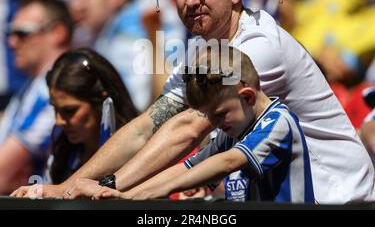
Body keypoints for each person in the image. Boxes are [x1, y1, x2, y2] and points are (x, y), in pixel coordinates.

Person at [12, 0, 375, 203]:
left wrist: (104, 187)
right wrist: (76, 185)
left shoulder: (258, 44)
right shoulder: (207, 52)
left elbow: (187, 128)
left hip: (341, 198)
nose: (190, 0)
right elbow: (148, 125)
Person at [93, 45, 314, 203]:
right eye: (208, 116)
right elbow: (186, 169)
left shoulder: (278, 123)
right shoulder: (233, 131)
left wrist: (147, 193)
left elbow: (228, 162)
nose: (214, 124)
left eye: (219, 114)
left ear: (247, 97)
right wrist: (126, 195)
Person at [0, 0, 72, 194]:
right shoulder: (32, 86)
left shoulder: (55, 90)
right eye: (9, 33)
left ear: (57, 32)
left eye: (22, 33)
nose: (11, 42)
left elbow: (1, 175)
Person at [44, 48, 138, 184]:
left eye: (70, 110)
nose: (59, 121)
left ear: (103, 103)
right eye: (55, 109)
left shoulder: (140, 155)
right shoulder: (60, 159)